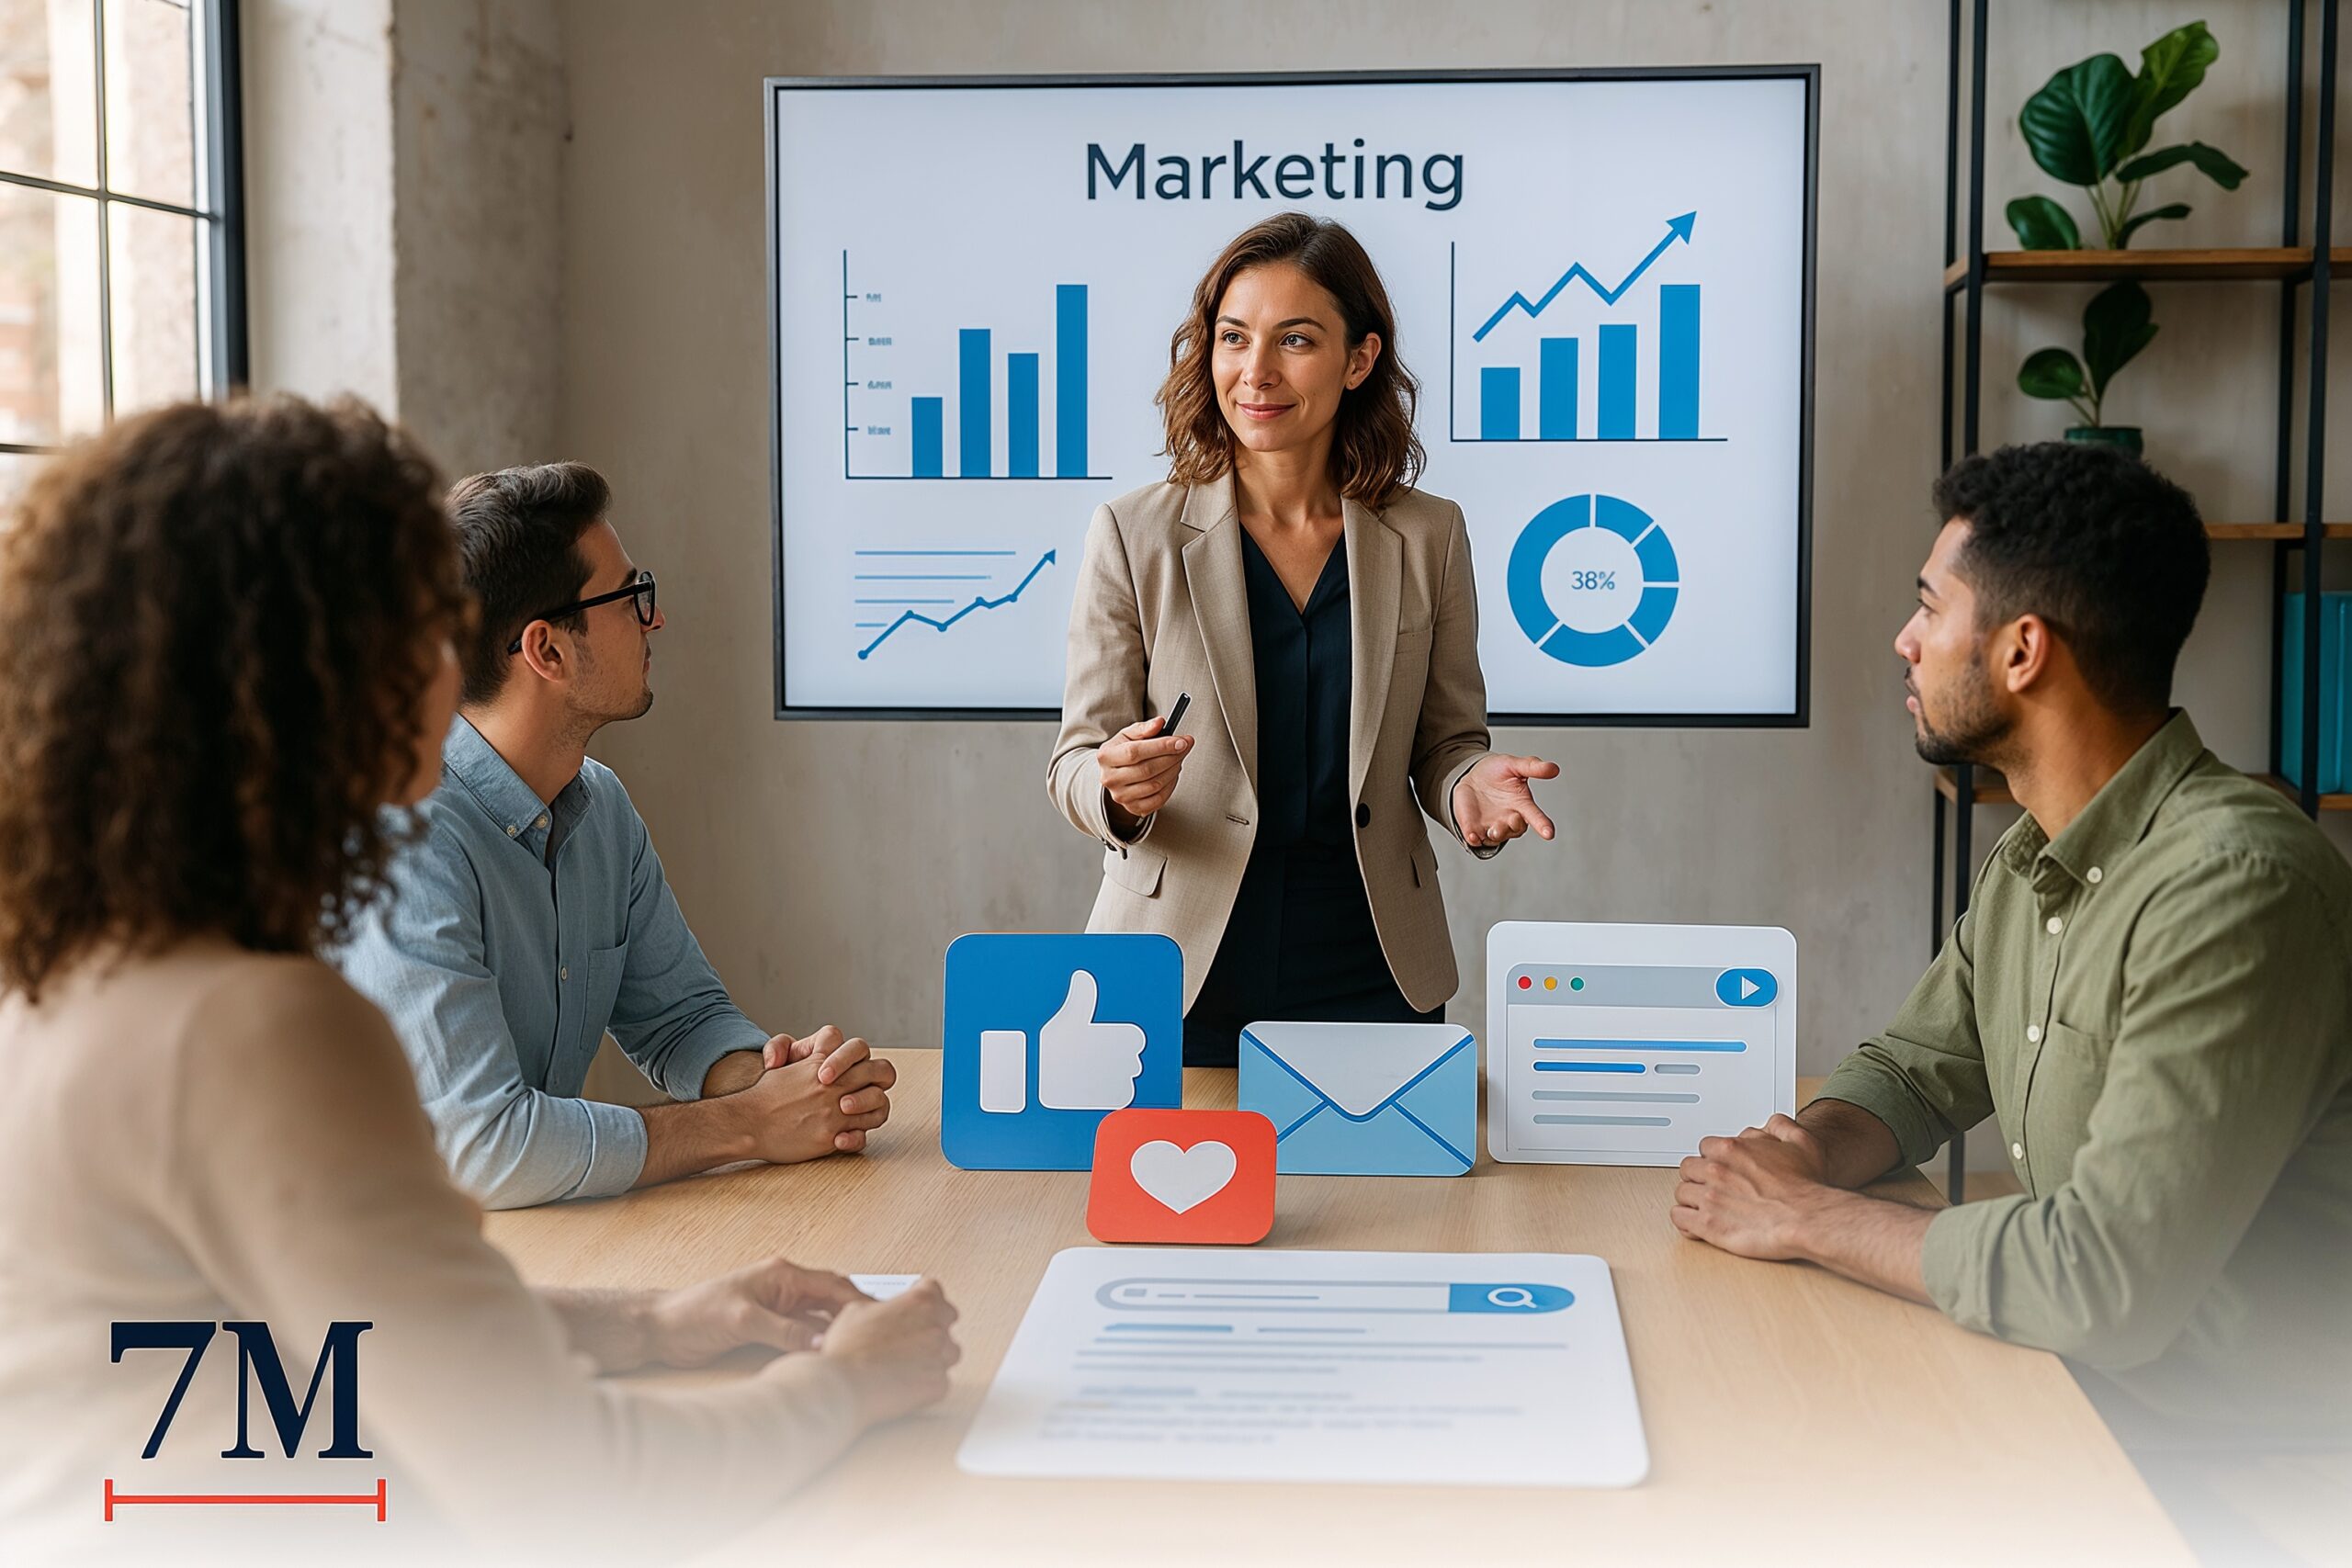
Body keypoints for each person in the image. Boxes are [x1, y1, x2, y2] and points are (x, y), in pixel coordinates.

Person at [0, 397, 958, 1560]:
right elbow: (570, 1487)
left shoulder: (99, 966)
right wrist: (848, 1387)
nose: (451, 663)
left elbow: (334, 1333)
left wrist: (660, 1320)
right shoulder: (254, 1025)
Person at [1670, 444, 2351, 1463]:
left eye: (1929, 609)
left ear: (2022, 652)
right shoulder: (2036, 850)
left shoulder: (2236, 889)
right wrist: (1806, 1149)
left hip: (2215, 1458)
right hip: (2066, 1389)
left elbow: (2098, 1279)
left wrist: (1804, 1216)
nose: (1904, 640)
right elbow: (1912, 1071)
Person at [1049, 212, 1560, 1065]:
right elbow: (1074, 761)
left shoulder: (1430, 535)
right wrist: (1115, 787)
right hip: (1178, 965)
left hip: (1370, 964)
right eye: (1232, 338)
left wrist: (1469, 785)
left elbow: (1446, 742)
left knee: (1391, 1201)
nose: (1256, 371)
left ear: (1360, 359)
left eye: (1295, 340)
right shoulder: (1132, 533)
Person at [334, 463, 894, 1209]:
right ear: (548, 651)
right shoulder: (405, 841)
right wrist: (749, 1125)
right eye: (631, 597)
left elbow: (681, 1019)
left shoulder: (599, 804)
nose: (653, 618)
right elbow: (486, 1146)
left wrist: (788, 1080)